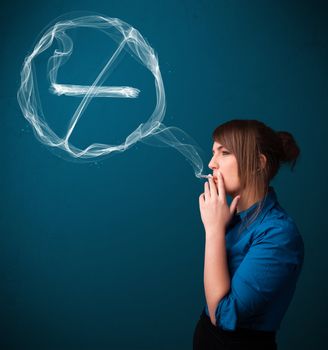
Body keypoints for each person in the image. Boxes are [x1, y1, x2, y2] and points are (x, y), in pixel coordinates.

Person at [193, 119, 304, 350]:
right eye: (213, 152)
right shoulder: (230, 218)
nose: (212, 163)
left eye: (223, 153)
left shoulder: (279, 234)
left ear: (257, 163)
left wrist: (213, 231)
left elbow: (222, 316)